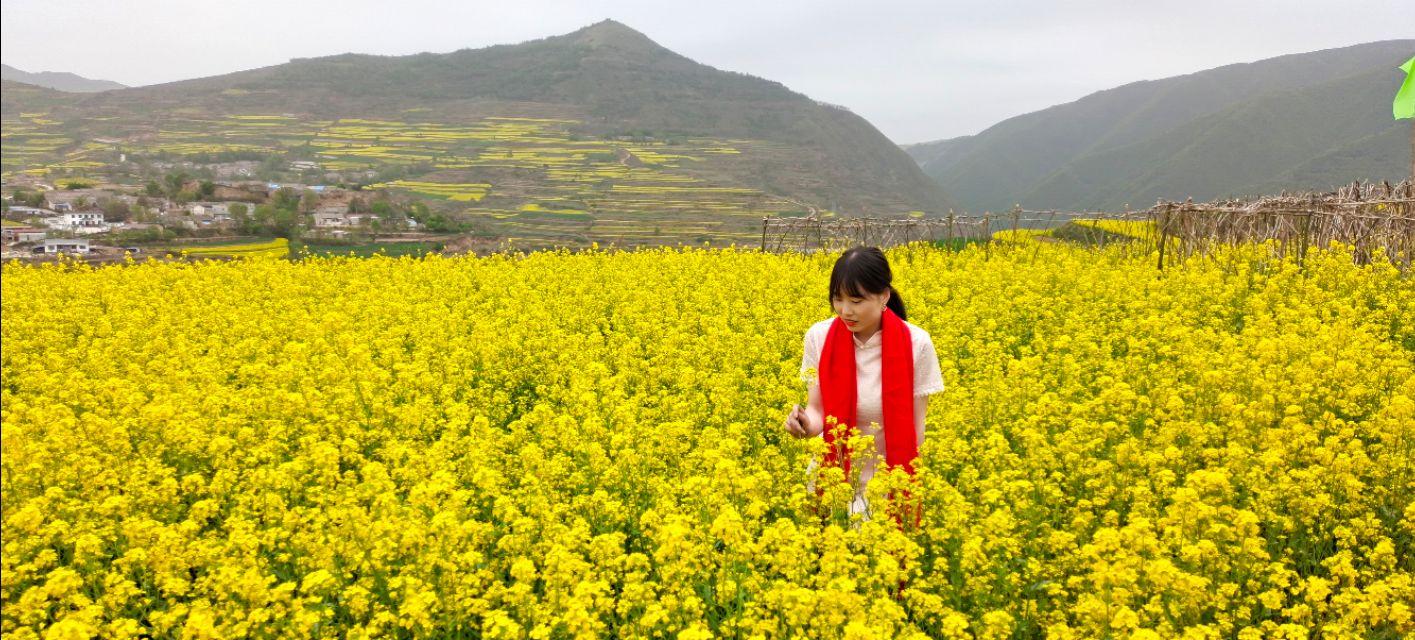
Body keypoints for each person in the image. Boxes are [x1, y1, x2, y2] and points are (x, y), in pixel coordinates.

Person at [782, 245, 946, 524]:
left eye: (856, 301)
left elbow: (916, 432)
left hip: (884, 480)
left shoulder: (916, 344)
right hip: (830, 475)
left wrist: (900, 487)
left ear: (884, 296)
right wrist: (804, 425)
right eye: (838, 299)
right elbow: (818, 410)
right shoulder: (818, 337)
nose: (846, 311)